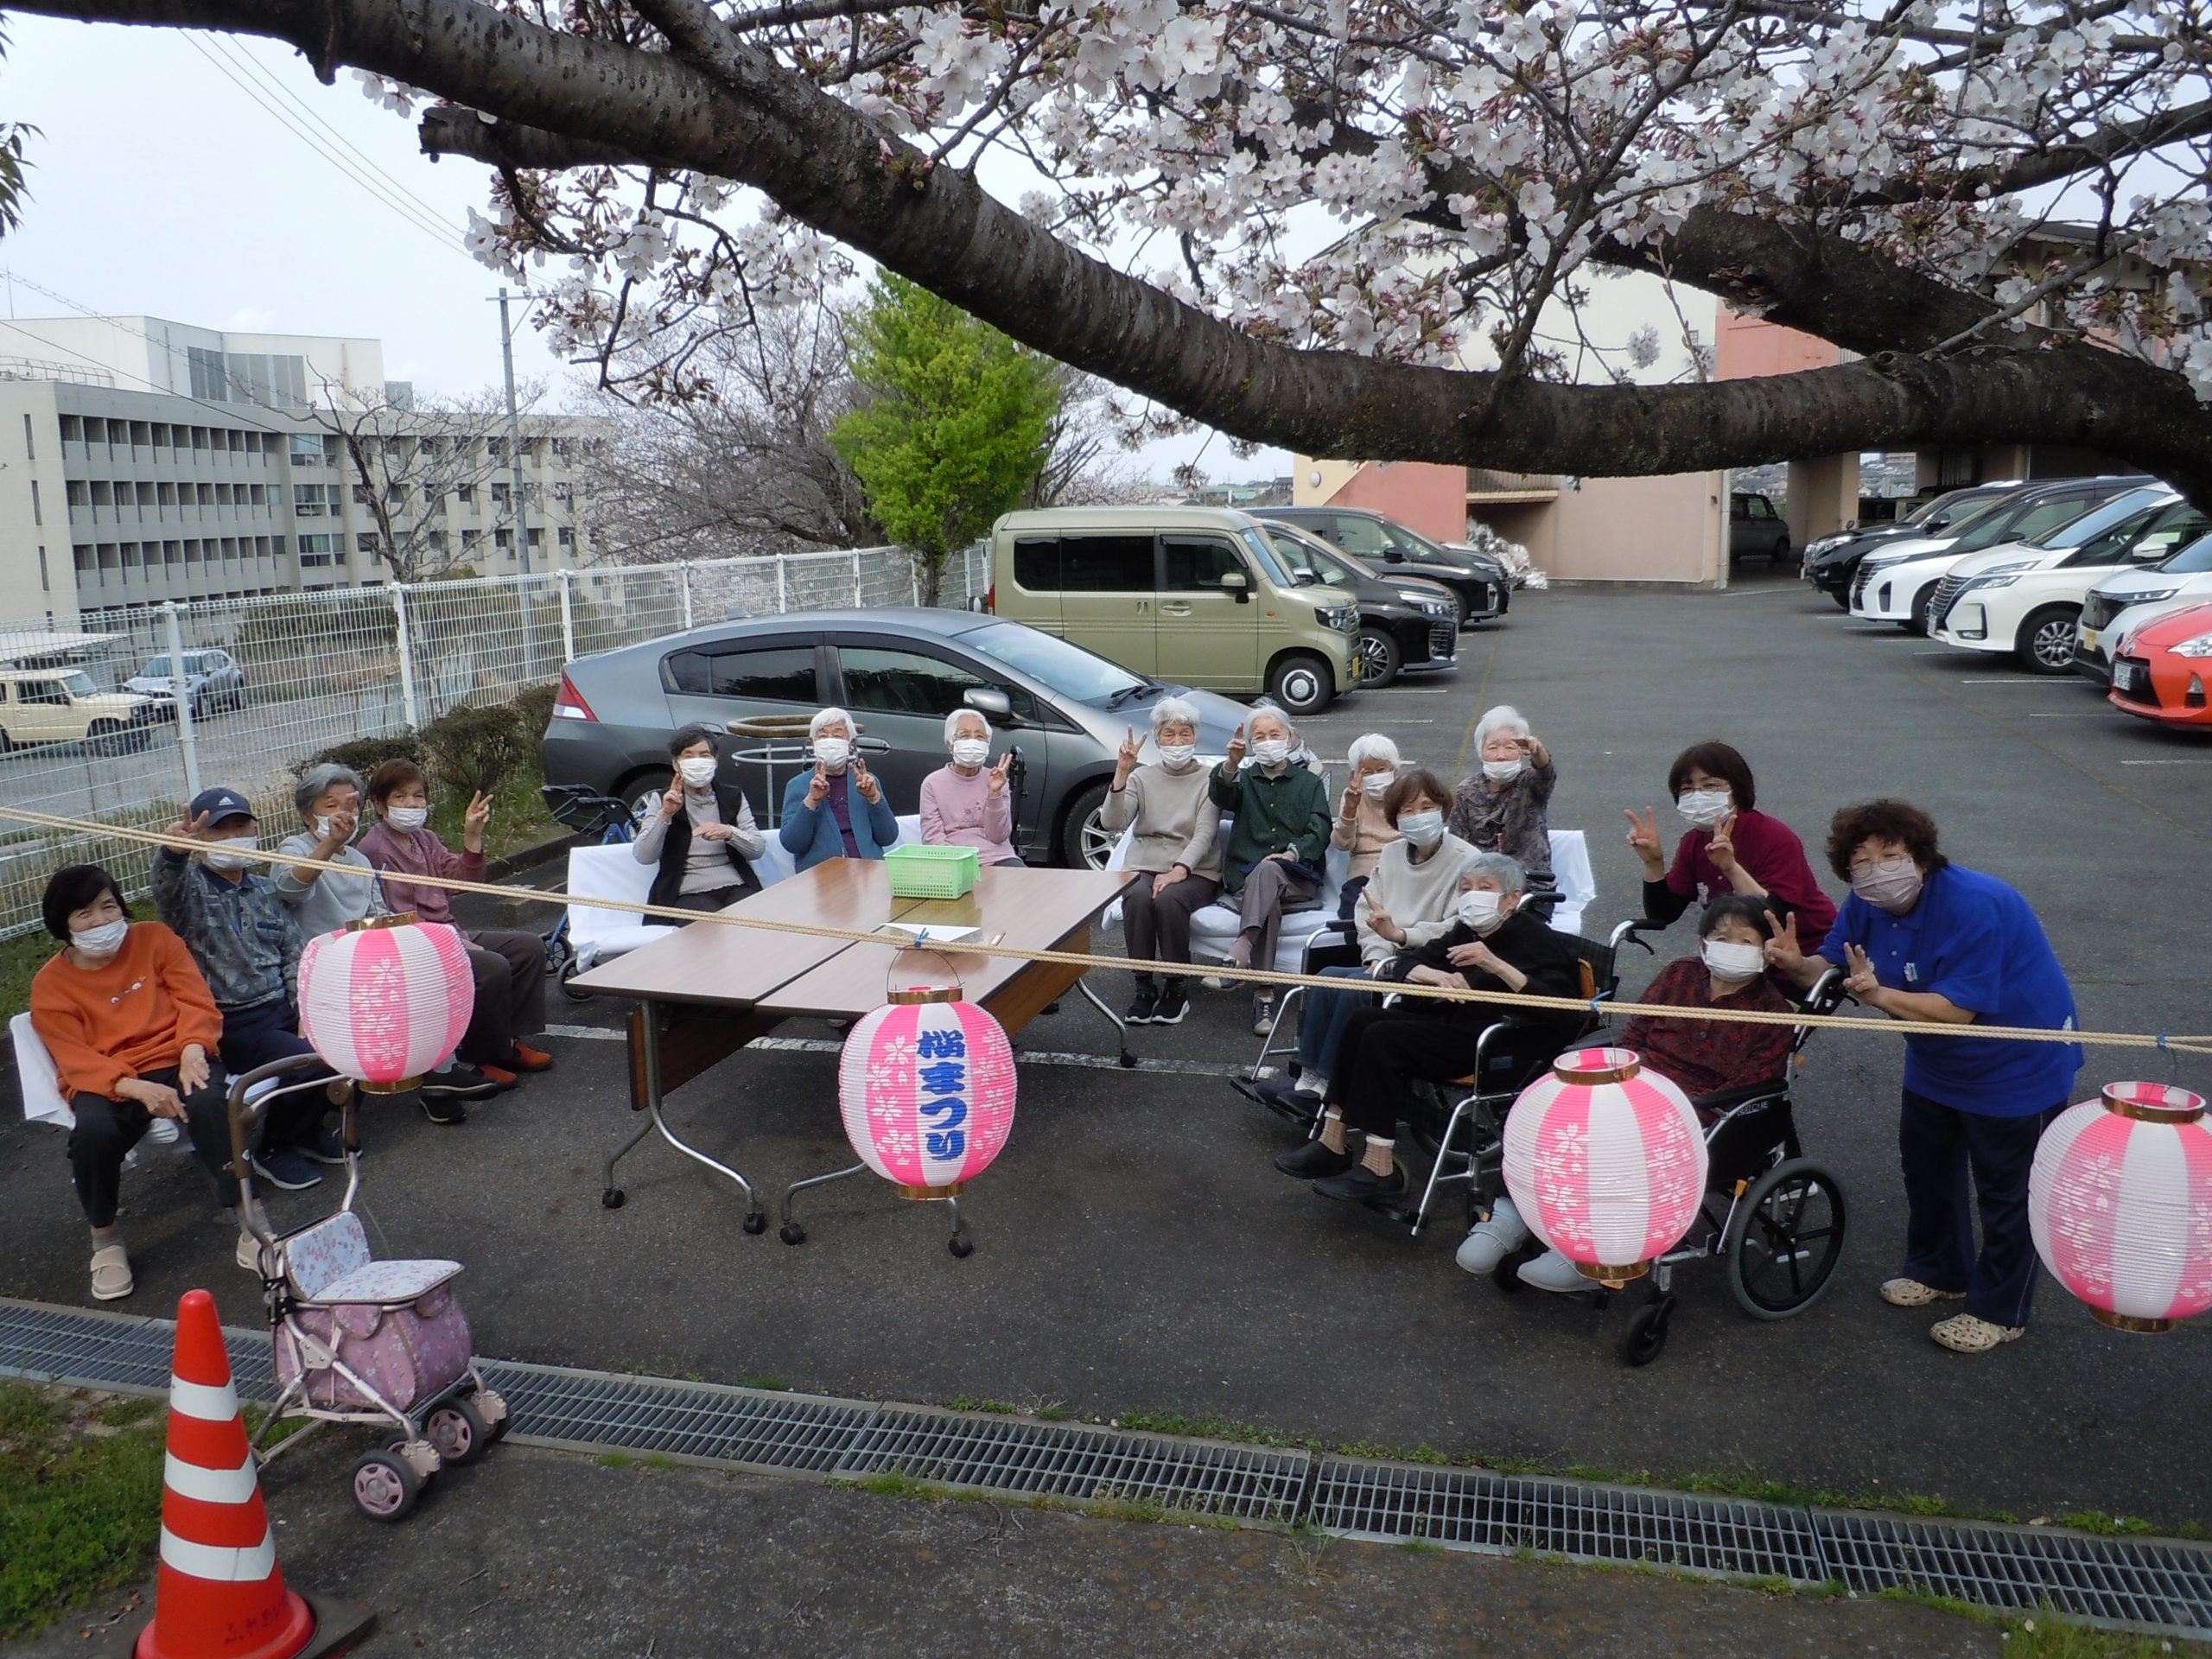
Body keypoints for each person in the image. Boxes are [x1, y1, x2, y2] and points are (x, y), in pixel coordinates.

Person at [1766, 799, 2082, 1355]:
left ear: (1921, 855)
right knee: (1927, 1166)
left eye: (1891, 855)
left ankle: (2000, 1309)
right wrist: (1797, 964)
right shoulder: (1867, 901)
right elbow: (1836, 965)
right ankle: (1940, 1270)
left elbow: (1959, 1011)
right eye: (1862, 862)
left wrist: (1879, 994)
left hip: (2015, 1063)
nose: (1877, 870)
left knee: (2007, 1192)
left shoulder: (1973, 903)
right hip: (1937, 1060)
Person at [1512, 894, 1798, 1292]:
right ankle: (1510, 1215)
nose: (1731, 948)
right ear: (1703, 942)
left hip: (1701, 1106)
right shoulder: (1678, 975)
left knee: (1614, 1147)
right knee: (1555, 1122)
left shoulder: (1772, 1012)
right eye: (1721, 937)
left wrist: (1672, 1107)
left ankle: (1600, 1256)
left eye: (1745, 942)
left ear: (1766, 952)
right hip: (1640, 1081)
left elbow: (1747, 1086)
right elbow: (1635, 1036)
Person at [1276, 853, 1584, 1205]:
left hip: (1499, 1039)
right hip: (1455, 1024)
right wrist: (1435, 975)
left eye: (1486, 888)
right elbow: (1409, 962)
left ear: (1513, 898)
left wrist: (1494, 964)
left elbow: (1564, 1010)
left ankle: (1379, 1169)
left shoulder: (1534, 937)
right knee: (1362, 1020)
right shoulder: (1466, 930)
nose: (1473, 895)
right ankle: (1332, 1139)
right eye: (1466, 887)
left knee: (1382, 1037)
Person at [30, 866, 273, 1300]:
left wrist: (194, 1049)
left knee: (210, 1102)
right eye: (85, 914)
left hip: (178, 1054)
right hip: (110, 1076)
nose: (103, 921)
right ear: (62, 925)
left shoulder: (155, 939)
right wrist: (135, 1088)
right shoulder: (51, 984)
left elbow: (194, 1000)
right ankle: (105, 1239)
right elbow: (74, 1058)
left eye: (109, 907)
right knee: (94, 1134)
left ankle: (249, 1215)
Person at [1249, 768, 1478, 1121]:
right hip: (1388, 960)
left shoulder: (1465, 859)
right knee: (1327, 976)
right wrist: (1376, 954)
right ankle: (1308, 1082)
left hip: (1431, 966)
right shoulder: (1391, 854)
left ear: (1443, 808)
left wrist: (1401, 937)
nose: (1418, 816)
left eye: (1426, 806)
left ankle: (1329, 1089)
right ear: (1396, 818)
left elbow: (1457, 927)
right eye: (1408, 811)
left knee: (1356, 990)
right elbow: (1367, 911)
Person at [277, 762, 500, 1118]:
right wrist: (330, 843)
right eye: (329, 805)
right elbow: (290, 888)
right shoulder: (293, 848)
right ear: (307, 814)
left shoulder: (361, 859)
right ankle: (442, 1079)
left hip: (367, 959)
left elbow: (381, 915)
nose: (342, 814)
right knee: (435, 980)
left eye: (349, 805)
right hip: (327, 966)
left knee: (429, 975)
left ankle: (443, 1077)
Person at [151, 785, 339, 1191]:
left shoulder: (264, 889)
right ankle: (275, 1146)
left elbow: (293, 951)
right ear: (200, 841)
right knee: (311, 1060)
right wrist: (172, 853)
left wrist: (305, 1005)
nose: (233, 837)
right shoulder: (189, 893)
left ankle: (306, 1130)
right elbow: (166, 887)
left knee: (345, 1040)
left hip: (282, 1007)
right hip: (233, 1020)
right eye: (220, 831)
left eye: (241, 826)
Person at [359, 760, 552, 1094]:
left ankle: (508, 1042)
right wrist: (456, 945)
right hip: (416, 946)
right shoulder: (374, 850)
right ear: (379, 804)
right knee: (491, 966)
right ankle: (480, 1056)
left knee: (528, 946)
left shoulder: (424, 838)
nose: (411, 805)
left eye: (418, 796)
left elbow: (461, 883)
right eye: (400, 797)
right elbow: (398, 920)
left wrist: (472, 837)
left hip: (448, 933)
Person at [1624, 741, 1836, 957]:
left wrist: (1731, 868)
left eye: (1711, 786)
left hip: (1801, 952)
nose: (1698, 796)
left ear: (1738, 789)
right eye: (1687, 789)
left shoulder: (1774, 837)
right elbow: (1663, 914)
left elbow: (1775, 919)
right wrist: (1653, 864)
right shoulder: (1694, 842)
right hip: (1738, 954)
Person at [1206, 702, 1332, 1035]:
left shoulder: (1309, 782)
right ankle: (1263, 995)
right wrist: (1231, 764)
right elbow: (1220, 794)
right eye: (1258, 736)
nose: (1267, 741)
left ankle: (1240, 951)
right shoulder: (1245, 780)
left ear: (1289, 738)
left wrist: (1293, 853)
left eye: (1274, 734)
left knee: (1270, 869)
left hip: (1297, 876)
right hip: (1250, 881)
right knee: (1267, 893)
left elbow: (1320, 829)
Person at [1103, 696, 1222, 1026]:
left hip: (1196, 869)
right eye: (1169, 734)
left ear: (1196, 737)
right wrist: (1121, 773)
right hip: (1145, 863)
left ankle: (1176, 986)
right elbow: (1113, 822)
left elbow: (1204, 833)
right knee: (1138, 897)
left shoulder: (1210, 779)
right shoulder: (1142, 778)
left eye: (1185, 734)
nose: (1178, 742)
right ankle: (1143, 986)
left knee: (1169, 900)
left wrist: (1178, 870)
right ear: (1157, 739)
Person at [632, 724, 766, 915]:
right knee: (712, 931)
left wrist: (729, 833)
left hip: (736, 885)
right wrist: (666, 815)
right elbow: (644, 856)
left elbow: (757, 849)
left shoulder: (732, 796)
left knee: (755, 920)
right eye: (688, 756)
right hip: (687, 893)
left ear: (715, 760)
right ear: (676, 764)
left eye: (704, 755)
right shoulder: (662, 799)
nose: (697, 761)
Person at [779, 707, 898, 870]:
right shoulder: (798, 785)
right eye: (822, 736)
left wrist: (874, 798)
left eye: (837, 735)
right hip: (822, 878)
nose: (829, 741)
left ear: (851, 743)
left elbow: (888, 837)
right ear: (813, 743)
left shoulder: (867, 782)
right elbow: (792, 843)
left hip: (869, 871)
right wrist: (811, 801)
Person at [1446, 705, 1554, 881]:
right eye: (1493, 748)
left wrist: (1537, 751)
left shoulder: (1530, 783)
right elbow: (1456, 844)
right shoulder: (1467, 790)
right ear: (1481, 752)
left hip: (1530, 882)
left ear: (1522, 752)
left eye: (1510, 747)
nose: (1501, 755)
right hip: (1480, 883)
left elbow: (1546, 772)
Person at [920, 709, 1020, 866]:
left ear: (987, 745)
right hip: (954, 863)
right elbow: (933, 839)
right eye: (964, 735)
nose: (972, 742)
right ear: (950, 745)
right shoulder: (932, 784)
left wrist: (994, 793)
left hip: (999, 858)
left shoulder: (998, 780)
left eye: (980, 737)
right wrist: (962, 864)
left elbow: (999, 836)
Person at [1332, 734, 1402, 918]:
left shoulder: (1407, 793)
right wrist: (1350, 809)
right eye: (1367, 772)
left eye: (1381, 769)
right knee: (1351, 911)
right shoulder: (1353, 797)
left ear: (1394, 769)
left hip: (1402, 869)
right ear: (1356, 774)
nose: (1376, 776)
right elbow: (1342, 844)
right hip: (1363, 875)